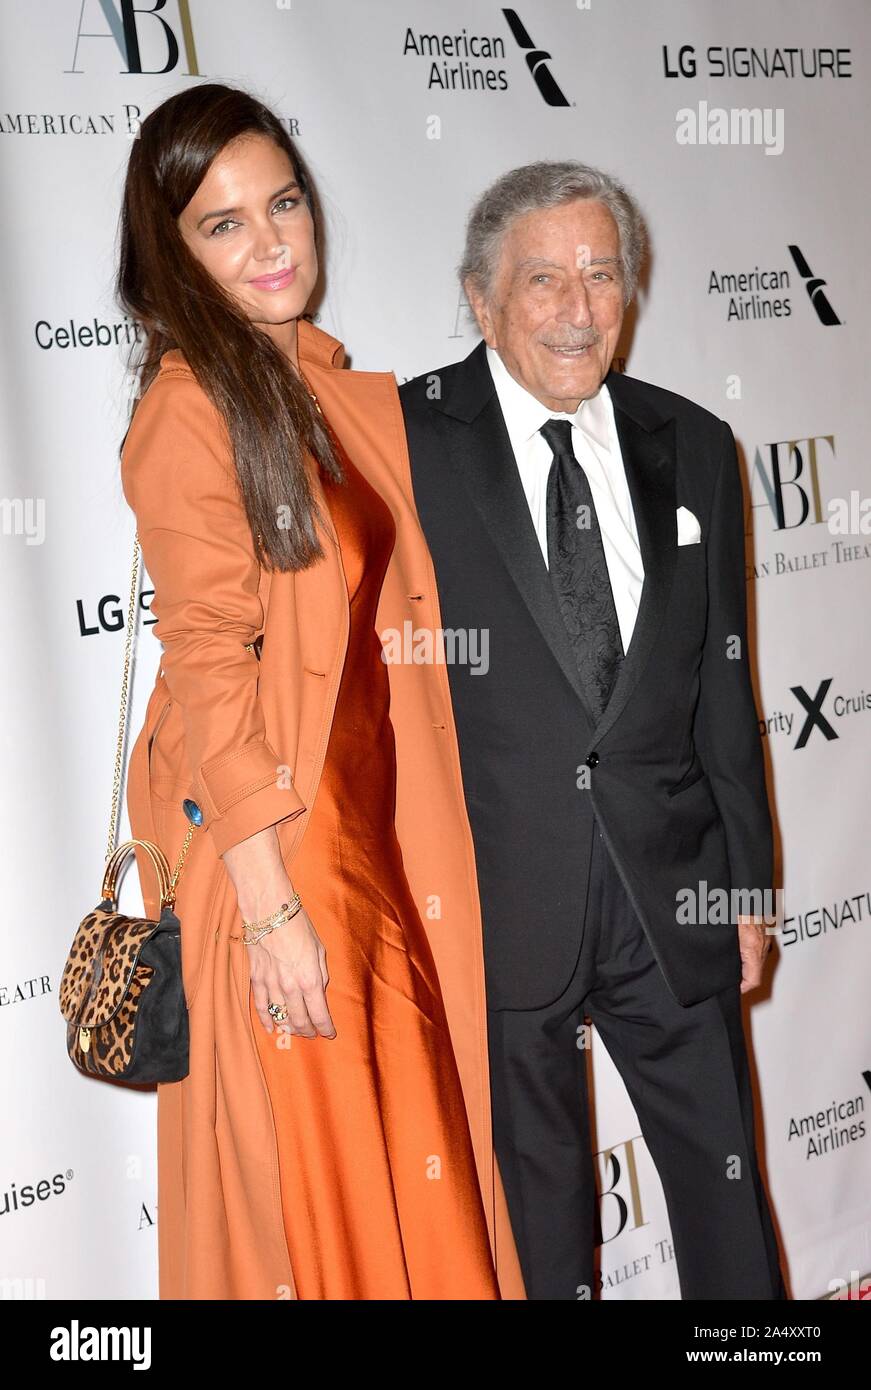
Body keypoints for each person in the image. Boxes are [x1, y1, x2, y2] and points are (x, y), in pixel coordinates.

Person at [116, 82, 525, 1300]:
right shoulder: (190, 410)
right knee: (312, 1192)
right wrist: (273, 903)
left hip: (380, 844)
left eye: (281, 201)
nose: (272, 242)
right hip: (283, 860)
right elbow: (203, 659)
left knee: (419, 1161)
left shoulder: (333, 395)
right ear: (173, 257)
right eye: (223, 224)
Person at [399, 160, 788, 1301]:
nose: (579, 308)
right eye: (544, 280)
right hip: (496, 900)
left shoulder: (695, 442)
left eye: (602, 276)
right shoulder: (407, 438)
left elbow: (726, 685)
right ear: (480, 298)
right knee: (541, 1224)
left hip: (673, 892)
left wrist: (746, 889)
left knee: (726, 1200)